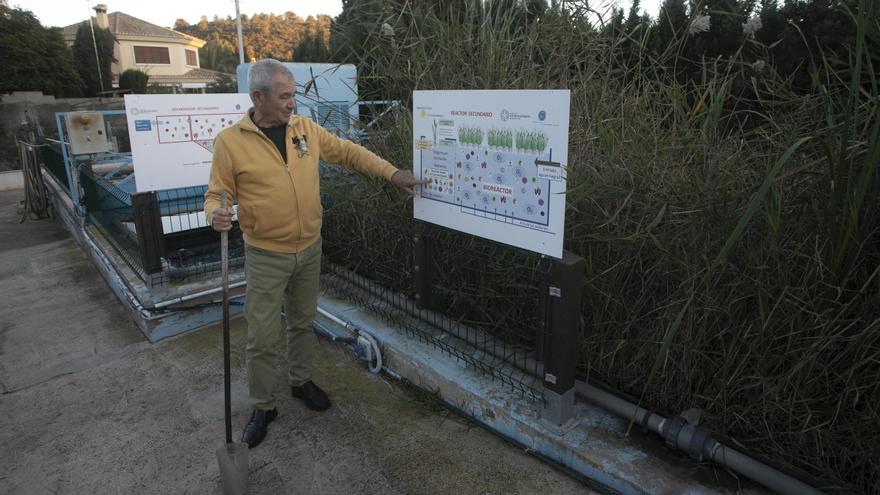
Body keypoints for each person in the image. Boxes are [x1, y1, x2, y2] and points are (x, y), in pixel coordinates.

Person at [204, 59, 429, 449]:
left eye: (294, 95)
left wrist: (393, 174)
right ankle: (262, 406)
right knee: (260, 335)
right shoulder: (230, 142)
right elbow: (214, 194)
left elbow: (347, 152)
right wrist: (215, 214)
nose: (293, 104)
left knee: (303, 322)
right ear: (258, 97)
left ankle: (301, 381)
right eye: (285, 96)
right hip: (265, 253)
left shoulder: (303, 130)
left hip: (309, 247)